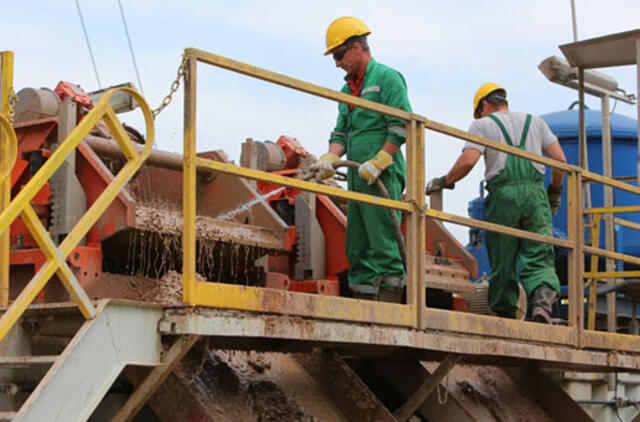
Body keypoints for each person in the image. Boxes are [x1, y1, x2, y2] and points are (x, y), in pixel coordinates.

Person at [426, 83, 566, 323]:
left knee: (503, 256)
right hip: (535, 197)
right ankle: (542, 305)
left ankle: (507, 314)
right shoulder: (536, 122)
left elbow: (468, 161)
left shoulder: (483, 124)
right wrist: (554, 191)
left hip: (503, 198)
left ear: (484, 106)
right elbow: (560, 161)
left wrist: (446, 181)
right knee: (540, 253)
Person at [309, 16, 411, 303]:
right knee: (357, 243)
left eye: (339, 55)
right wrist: (330, 158)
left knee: (383, 241)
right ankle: (365, 304)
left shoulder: (388, 78)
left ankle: (389, 307)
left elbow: (401, 124)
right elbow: (341, 132)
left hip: (381, 174)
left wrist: (381, 160)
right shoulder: (346, 91)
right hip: (358, 174)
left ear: (356, 47)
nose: (337, 63)